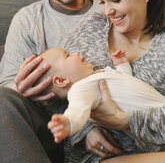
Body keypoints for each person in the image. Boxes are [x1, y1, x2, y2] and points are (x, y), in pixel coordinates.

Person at [0, 0, 100, 163]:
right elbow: (7, 88)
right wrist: (23, 90)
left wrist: (87, 125)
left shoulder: (106, 9)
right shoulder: (28, 20)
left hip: (104, 117)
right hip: (48, 129)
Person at [59, 0, 165, 162]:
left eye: (116, 0)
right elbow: (56, 87)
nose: (108, 11)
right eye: (102, 1)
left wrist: (125, 122)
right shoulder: (93, 27)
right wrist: (84, 130)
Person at [33, 46, 165, 153]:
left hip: (157, 116)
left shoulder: (98, 74)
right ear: (61, 80)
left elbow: (125, 82)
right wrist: (69, 122)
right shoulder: (79, 88)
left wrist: (122, 65)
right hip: (153, 129)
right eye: (68, 55)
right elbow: (78, 109)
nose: (76, 52)